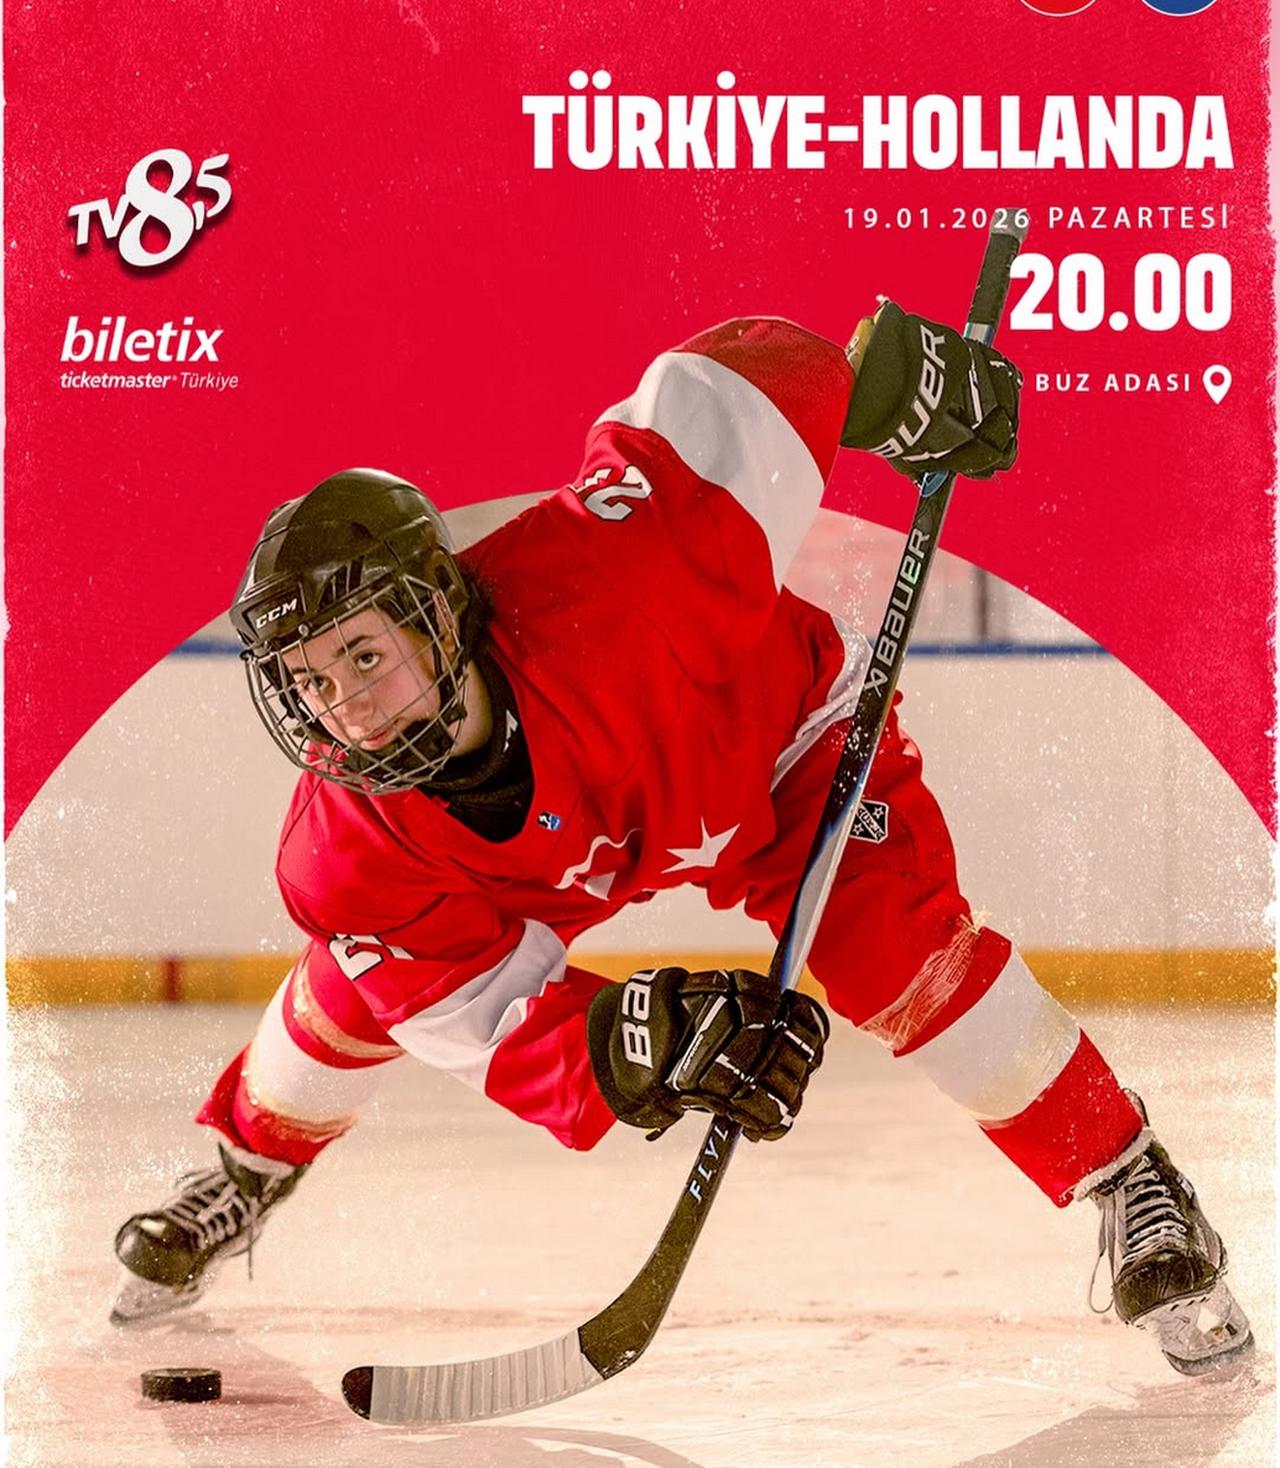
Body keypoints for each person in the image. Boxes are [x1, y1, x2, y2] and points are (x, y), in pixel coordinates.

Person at [111, 302, 1252, 1377]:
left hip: (769, 748)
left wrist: (868, 384)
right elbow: (486, 1018)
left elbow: (733, 378)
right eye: (308, 682)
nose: (343, 708)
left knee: (892, 948)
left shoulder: (623, 562)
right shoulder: (346, 847)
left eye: (365, 656)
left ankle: (1125, 1175)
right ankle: (244, 1168)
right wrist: (632, 1043)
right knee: (361, 983)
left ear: (439, 610)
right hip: (569, 850)